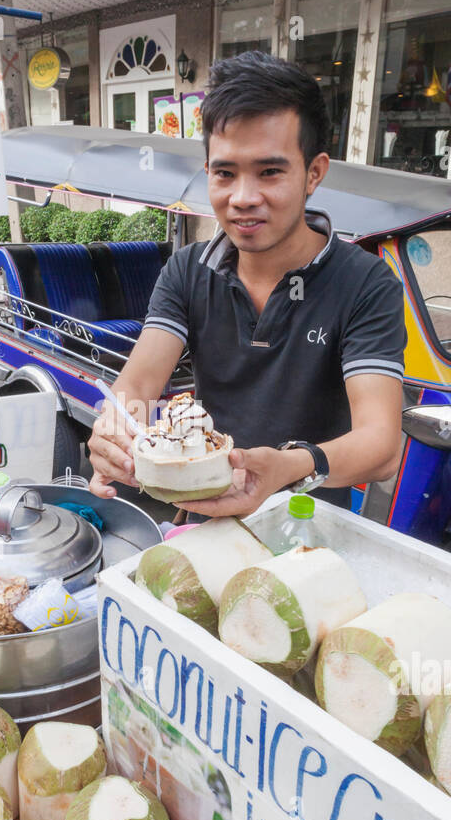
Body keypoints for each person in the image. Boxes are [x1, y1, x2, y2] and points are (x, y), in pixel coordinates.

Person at [88, 50, 406, 518]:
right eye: (225, 173)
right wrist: (114, 430)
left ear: (314, 173)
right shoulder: (187, 271)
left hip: (309, 524)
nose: (243, 199)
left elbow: (381, 446)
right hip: (203, 514)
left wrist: (285, 467)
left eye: (270, 172)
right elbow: (137, 385)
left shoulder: (366, 283)